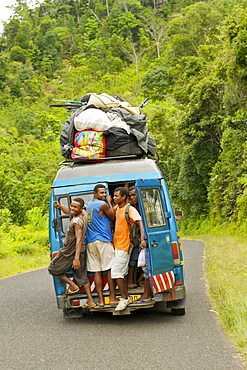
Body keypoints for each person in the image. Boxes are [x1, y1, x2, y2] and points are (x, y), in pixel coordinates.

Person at [48, 198, 95, 308]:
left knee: (53, 269)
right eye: (71, 206)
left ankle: (73, 286)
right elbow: (69, 212)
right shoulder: (83, 213)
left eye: (75, 207)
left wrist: (76, 258)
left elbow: (79, 240)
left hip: (70, 252)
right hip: (81, 251)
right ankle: (90, 300)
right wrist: (60, 206)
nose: (72, 208)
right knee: (82, 276)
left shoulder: (76, 222)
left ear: (81, 208)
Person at [111, 187, 146, 311]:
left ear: (124, 197)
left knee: (116, 273)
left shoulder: (129, 209)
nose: (114, 198)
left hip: (124, 245)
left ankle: (124, 298)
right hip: (118, 244)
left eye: (116, 196)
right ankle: (126, 297)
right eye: (114, 196)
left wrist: (142, 240)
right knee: (123, 272)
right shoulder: (117, 208)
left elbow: (140, 223)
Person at [86, 184, 118, 307]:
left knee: (96, 271)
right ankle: (112, 297)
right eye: (102, 193)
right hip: (103, 240)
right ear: (95, 193)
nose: (104, 195)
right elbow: (113, 217)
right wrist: (110, 202)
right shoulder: (102, 204)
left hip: (91, 242)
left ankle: (100, 300)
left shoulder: (89, 205)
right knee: (109, 268)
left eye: (105, 193)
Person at [128, 186, 152, 303]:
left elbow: (143, 225)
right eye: (130, 196)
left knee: (147, 269)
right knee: (141, 266)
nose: (132, 198)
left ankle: (146, 295)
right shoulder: (132, 208)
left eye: (134, 195)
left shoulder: (145, 207)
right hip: (138, 242)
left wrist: (143, 239)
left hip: (147, 241)